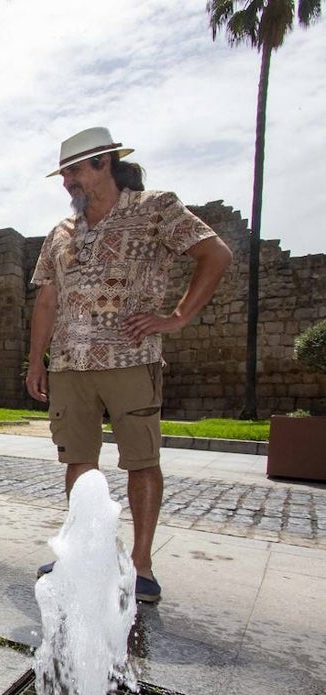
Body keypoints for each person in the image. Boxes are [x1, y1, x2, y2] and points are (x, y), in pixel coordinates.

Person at [25, 127, 233, 604]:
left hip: (130, 358)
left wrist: (177, 317)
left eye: (74, 172)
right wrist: (37, 360)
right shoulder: (61, 233)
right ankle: (79, 554)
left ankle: (141, 565)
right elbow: (47, 301)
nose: (67, 183)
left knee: (141, 460)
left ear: (105, 163)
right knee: (78, 462)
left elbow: (214, 253)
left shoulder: (154, 208)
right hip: (70, 364)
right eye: (64, 174)